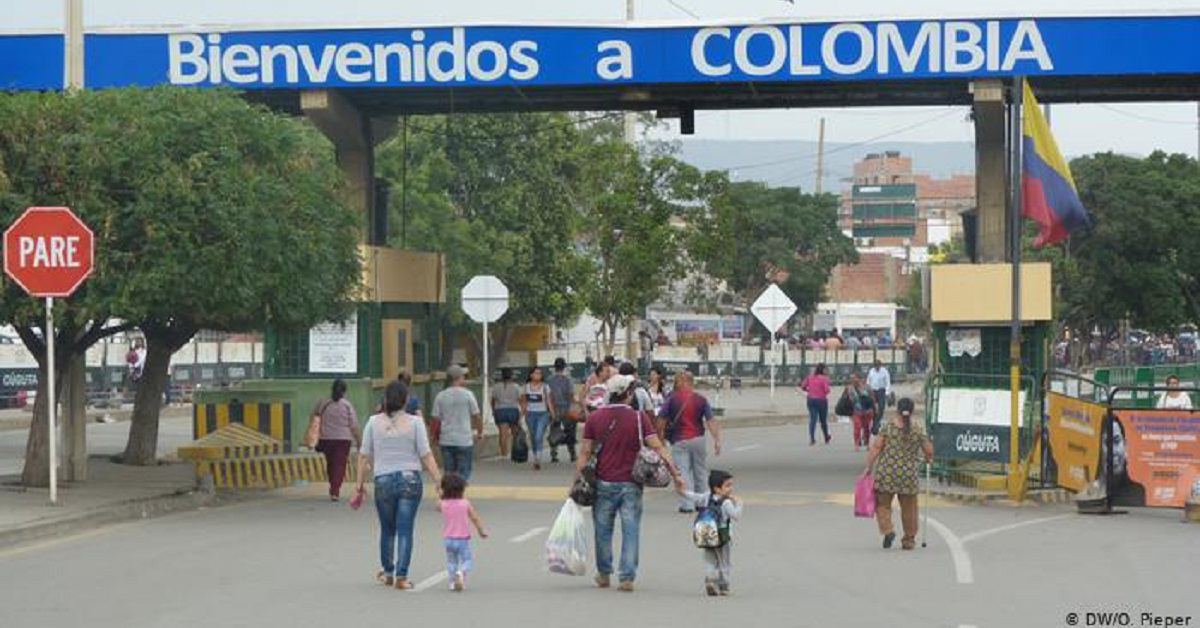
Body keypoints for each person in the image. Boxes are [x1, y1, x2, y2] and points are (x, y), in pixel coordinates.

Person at [576, 374, 683, 592]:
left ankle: (604, 574)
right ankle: (626, 577)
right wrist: (676, 474)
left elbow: (585, 453)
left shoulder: (594, 418)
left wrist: (577, 482)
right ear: (628, 394)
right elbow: (658, 447)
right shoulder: (638, 418)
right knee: (631, 529)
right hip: (631, 484)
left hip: (603, 483)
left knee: (602, 531)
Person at [354, 381, 443, 589]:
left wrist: (359, 484)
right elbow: (426, 455)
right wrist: (439, 481)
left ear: (385, 399)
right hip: (410, 480)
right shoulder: (415, 423)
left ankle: (388, 573)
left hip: (383, 481)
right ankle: (402, 577)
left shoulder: (373, 422)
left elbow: (363, 455)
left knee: (387, 530)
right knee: (405, 530)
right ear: (405, 400)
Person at [863, 398, 932, 550]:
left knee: (882, 505)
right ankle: (909, 540)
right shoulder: (918, 429)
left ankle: (888, 530)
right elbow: (929, 450)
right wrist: (928, 459)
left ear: (896, 410)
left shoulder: (888, 427)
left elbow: (876, 447)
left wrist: (868, 467)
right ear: (912, 411)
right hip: (908, 477)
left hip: (886, 474)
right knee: (910, 509)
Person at [658, 371, 722, 514]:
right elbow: (710, 420)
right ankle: (702, 503)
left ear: (683, 381)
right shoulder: (701, 399)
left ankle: (687, 505)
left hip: (679, 440)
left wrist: (660, 438)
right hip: (699, 439)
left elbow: (661, 421)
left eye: (677, 381)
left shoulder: (671, 399)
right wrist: (717, 440)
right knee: (700, 471)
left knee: (683, 472)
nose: (675, 384)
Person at [678, 469, 743, 597]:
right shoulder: (726, 502)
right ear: (717, 489)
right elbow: (736, 516)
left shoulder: (706, 497)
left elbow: (694, 497)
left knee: (710, 560)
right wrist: (740, 503)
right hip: (723, 537)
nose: (731, 488)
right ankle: (723, 586)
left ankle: (710, 579)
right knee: (724, 562)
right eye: (728, 486)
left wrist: (682, 491)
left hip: (707, 534)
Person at [312, 379, 362, 501]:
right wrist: (359, 440)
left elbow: (315, 418)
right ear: (344, 391)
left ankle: (333, 487)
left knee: (331, 464)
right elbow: (354, 425)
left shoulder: (323, 403)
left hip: (326, 439)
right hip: (343, 440)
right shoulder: (347, 405)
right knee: (339, 465)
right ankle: (335, 490)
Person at [432, 365, 483, 481]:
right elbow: (477, 416)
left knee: (449, 473)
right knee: (464, 473)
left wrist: (434, 437)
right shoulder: (468, 394)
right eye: (463, 376)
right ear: (459, 378)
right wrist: (479, 432)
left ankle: (450, 496)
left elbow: (435, 420)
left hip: (446, 440)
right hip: (464, 440)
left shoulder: (440, 396)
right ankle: (459, 495)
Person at [439, 473, 488, 592]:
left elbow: (438, 504)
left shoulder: (443, 504)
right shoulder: (465, 503)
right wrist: (481, 531)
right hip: (462, 539)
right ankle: (461, 573)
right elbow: (474, 518)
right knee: (467, 560)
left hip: (448, 539)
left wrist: (441, 494)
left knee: (451, 561)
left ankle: (451, 582)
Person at [547, 358, 579, 464]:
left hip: (553, 408)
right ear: (564, 367)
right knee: (570, 431)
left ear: (554, 367)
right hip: (566, 408)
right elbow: (571, 395)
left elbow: (549, 396)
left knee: (554, 430)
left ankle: (553, 454)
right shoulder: (568, 379)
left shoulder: (549, 380)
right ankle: (572, 454)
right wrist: (576, 404)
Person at [521, 367, 552, 471]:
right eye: (536, 373)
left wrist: (553, 414)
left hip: (542, 414)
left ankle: (538, 459)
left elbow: (549, 401)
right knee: (533, 436)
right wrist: (521, 416)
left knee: (539, 435)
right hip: (530, 415)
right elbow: (524, 402)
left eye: (540, 373)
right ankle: (535, 457)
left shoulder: (545, 387)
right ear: (531, 375)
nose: (538, 375)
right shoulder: (526, 387)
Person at [491, 368, 522, 458]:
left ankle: (504, 454)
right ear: (511, 375)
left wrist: (494, 411)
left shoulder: (496, 387)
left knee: (503, 434)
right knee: (515, 434)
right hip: (513, 410)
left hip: (500, 411)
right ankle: (515, 452)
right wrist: (521, 414)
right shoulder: (516, 386)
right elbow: (521, 400)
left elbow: (493, 401)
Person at [799, 363, 832, 446]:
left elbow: (802, 386)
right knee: (823, 420)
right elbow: (827, 390)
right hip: (821, 400)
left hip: (811, 400)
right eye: (825, 369)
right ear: (823, 370)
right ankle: (826, 437)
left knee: (813, 419)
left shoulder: (810, 377)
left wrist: (809, 390)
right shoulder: (824, 379)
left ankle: (812, 438)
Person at [845, 373, 877, 452]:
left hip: (867, 411)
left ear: (859, 379)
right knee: (857, 427)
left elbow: (872, 398)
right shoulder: (850, 388)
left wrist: (875, 408)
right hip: (856, 411)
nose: (853, 380)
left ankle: (867, 442)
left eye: (854, 378)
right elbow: (848, 400)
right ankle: (856, 444)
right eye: (851, 378)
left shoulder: (867, 387)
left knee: (867, 428)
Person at [866, 359, 892, 433]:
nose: (877, 367)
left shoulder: (884, 371)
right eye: (875, 366)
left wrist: (887, 393)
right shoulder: (871, 371)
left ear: (880, 365)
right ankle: (875, 424)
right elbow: (868, 381)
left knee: (881, 408)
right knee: (873, 409)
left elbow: (888, 382)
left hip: (881, 391)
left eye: (878, 366)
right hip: (873, 391)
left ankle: (876, 424)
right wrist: (868, 390)